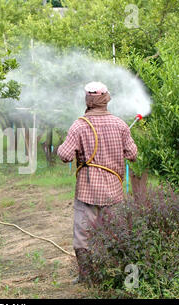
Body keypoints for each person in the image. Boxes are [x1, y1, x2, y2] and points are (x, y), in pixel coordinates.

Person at [57, 81, 137, 284]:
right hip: (114, 191)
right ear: (106, 99)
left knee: (83, 236)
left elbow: (65, 155)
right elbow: (133, 154)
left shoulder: (79, 125)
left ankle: (87, 278)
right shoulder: (120, 124)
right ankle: (126, 278)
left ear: (88, 100)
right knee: (120, 233)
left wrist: (62, 147)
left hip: (87, 191)